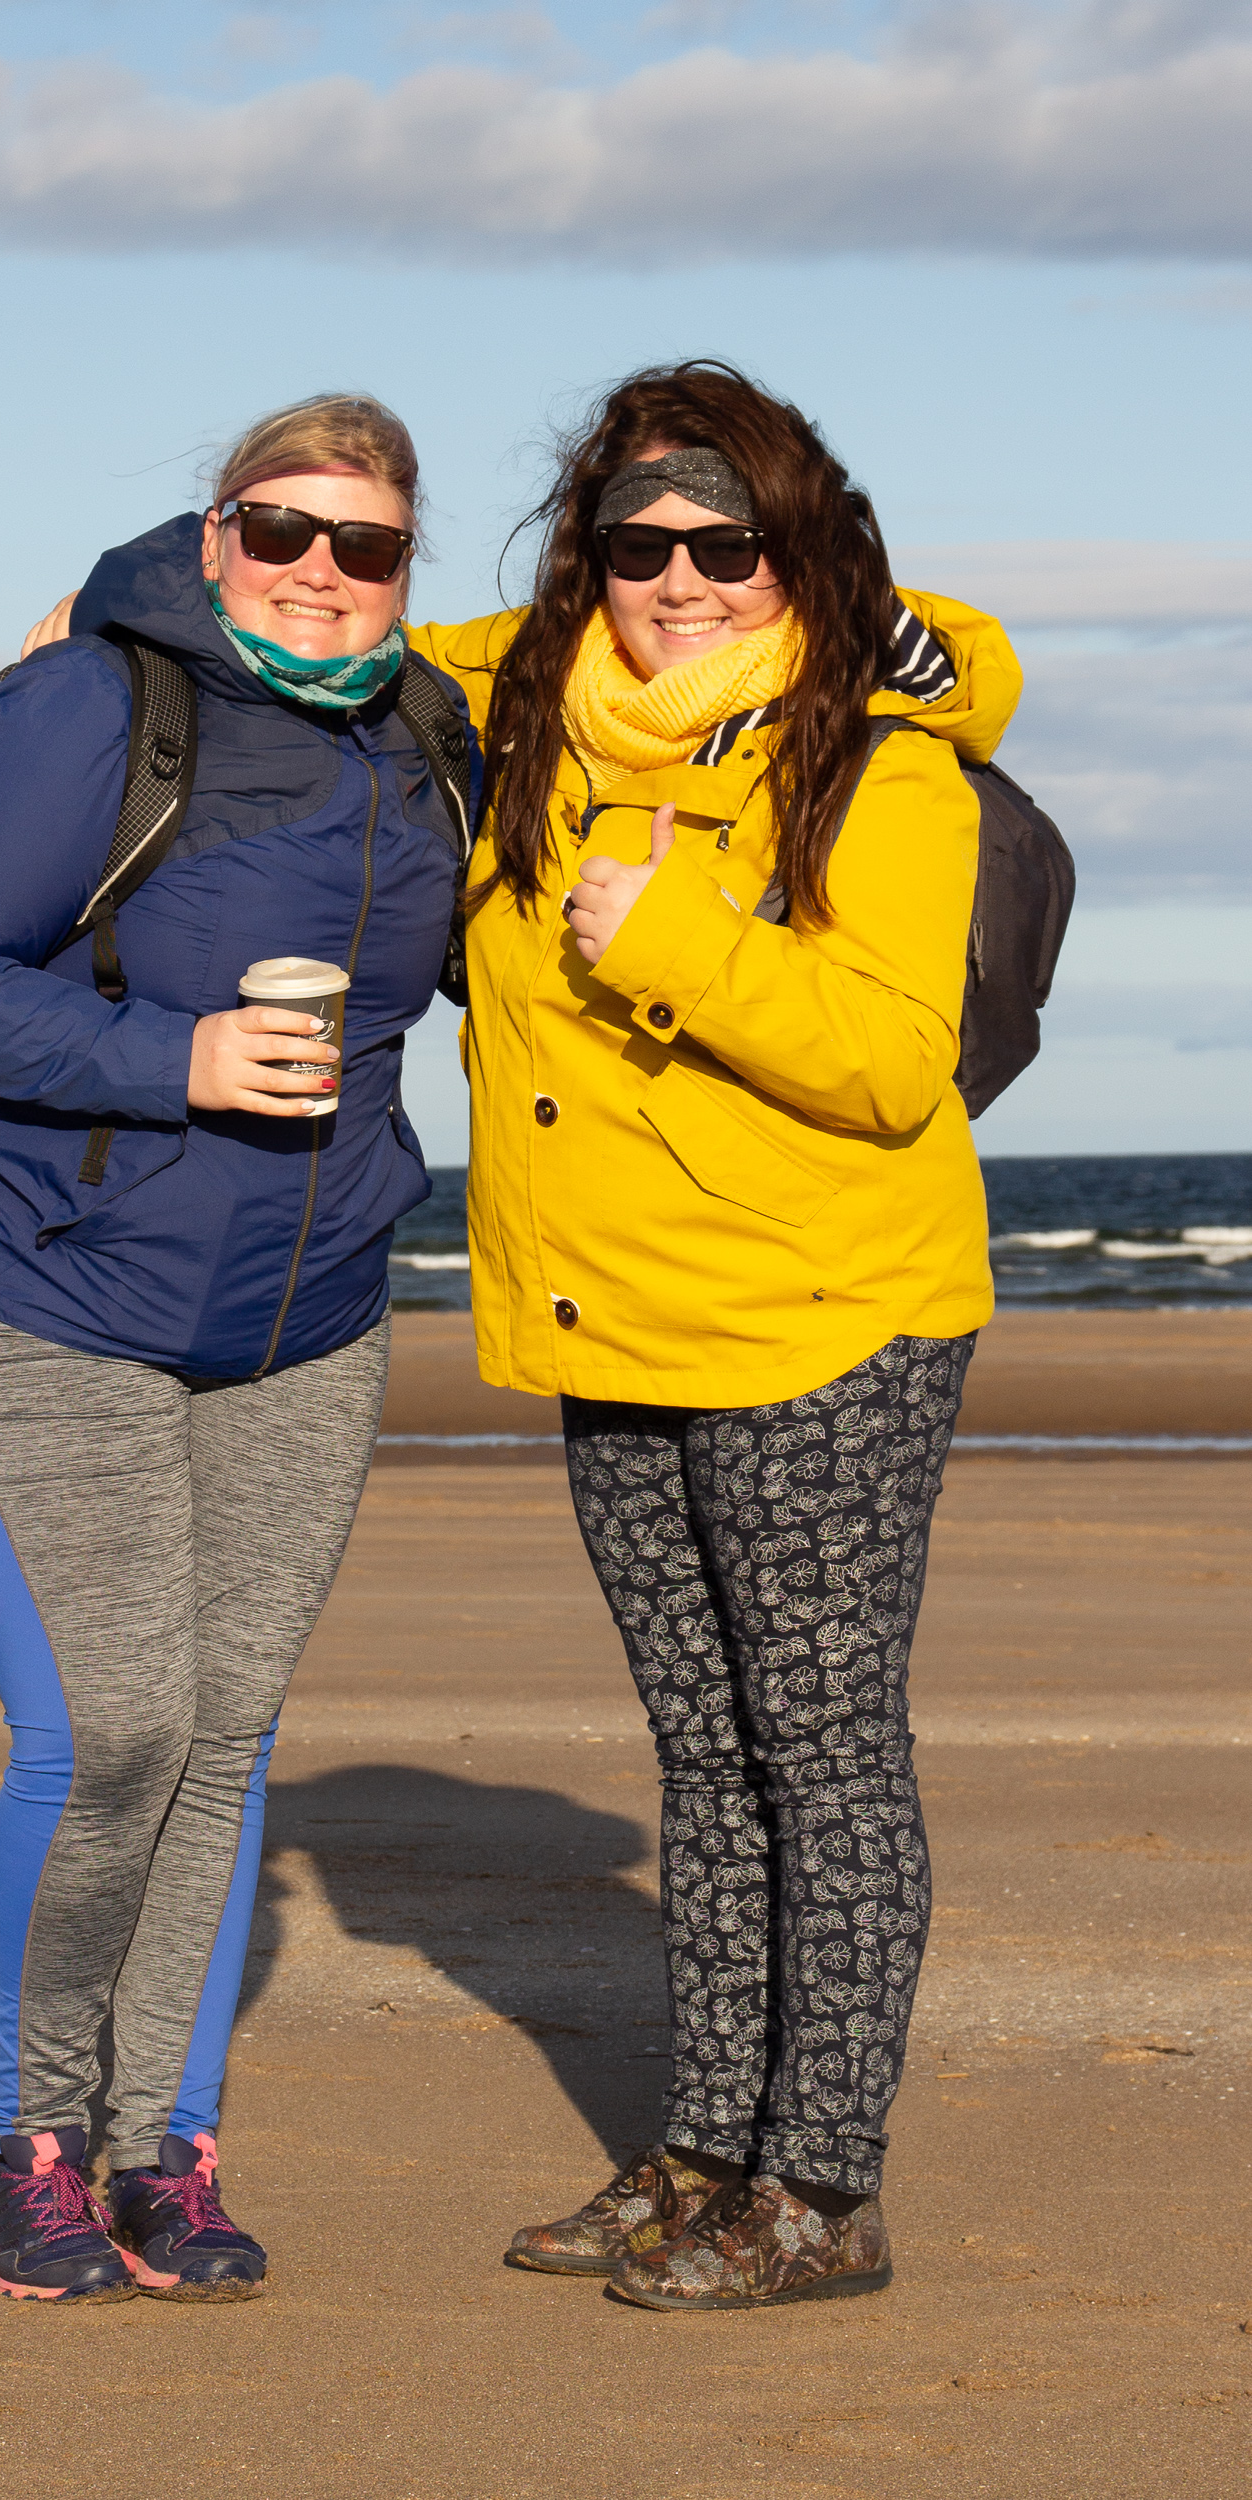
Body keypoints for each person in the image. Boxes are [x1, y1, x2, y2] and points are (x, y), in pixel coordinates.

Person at [398, 360, 1020, 2309]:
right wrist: (123, 609)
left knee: (820, 1756)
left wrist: (671, 935)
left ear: (795, 551)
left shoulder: (878, 757)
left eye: (726, 543)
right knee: (705, 1753)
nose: (678, 578)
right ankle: (704, 2153)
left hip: (823, 1323)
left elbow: (893, 1060)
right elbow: (326, 623)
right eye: (636, 540)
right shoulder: (532, 702)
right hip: (618, 1322)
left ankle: (821, 2185)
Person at [0, 393, 470, 2304]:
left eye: (365, 544)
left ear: (408, 572)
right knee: (109, 1732)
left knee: (220, 1743)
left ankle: (164, 2157)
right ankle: (33, 2143)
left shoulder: (431, 735)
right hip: (35, 1295)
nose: (318, 569)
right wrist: (175, 1057)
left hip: (306, 1320)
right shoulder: (96, 703)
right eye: (278, 528)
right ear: (216, 537)